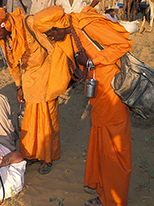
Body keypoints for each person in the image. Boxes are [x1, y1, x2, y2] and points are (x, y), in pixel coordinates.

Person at [34, 5, 133, 206]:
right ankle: (104, 193)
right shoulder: (69, 31)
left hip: (113, 95)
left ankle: (114, 200)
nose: (50, 37)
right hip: (99, 97)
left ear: (58, 25)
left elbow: (123, 44)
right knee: (102, 146)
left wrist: (91, 61)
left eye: (50, 33)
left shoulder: (88, 25)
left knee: (114, 150)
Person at [0, 7, 61, 174]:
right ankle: (31, 154)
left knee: (47, 119)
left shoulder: (29, 24)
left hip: (46, 75)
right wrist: (19, 86)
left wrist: (55, 78)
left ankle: (47, 157)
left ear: (4, 24)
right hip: (29, 80)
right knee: (30, 120)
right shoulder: (4, 38)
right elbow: (12, 64)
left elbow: (52, 50)